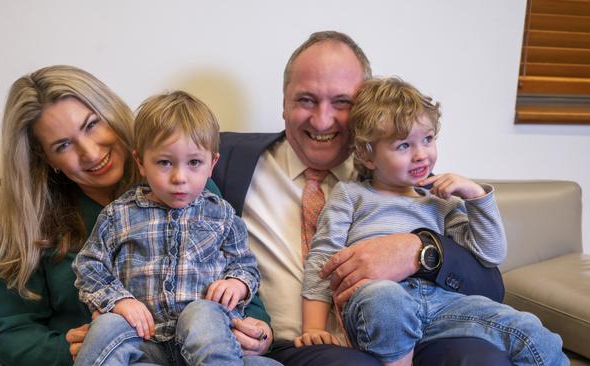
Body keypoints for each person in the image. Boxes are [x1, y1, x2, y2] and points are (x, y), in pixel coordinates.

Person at [212, 31, 512, 365]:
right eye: (306, 100)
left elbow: (490, 287)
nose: (322, 119)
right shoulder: (223, 160)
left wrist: (420, 251)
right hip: (296, 346)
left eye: (342, 102)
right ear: (284, 102)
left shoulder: (401, 174)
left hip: (416, 331)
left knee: (483, 357)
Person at [0, 65, 274, 366]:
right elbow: (9, 332)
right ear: (46, 158)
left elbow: (240, 276)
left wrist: (258, 332)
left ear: (111, 114)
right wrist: (70, 350)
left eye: (91, 125)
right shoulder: (36, 219)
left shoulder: (188, 185)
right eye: (63, 145)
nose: (91, 153)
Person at [299, 76, 568, 366]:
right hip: (378, 301)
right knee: (387, 298)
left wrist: (476, 197)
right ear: (367, 155)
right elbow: (324, 258)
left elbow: (490, 254)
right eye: (403, 146)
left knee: (530, 328)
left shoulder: (443, 201)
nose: (421, 155)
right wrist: (314, 327)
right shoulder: (351, 195)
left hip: (443, 304)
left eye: (427, 139)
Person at [72, 91, 275, 366]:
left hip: (210, 342)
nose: (180, 177)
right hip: (145, 342)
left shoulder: (222, 214)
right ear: (141, 162)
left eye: (194, 163)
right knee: (108, 325)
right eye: (165, 162)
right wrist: (118, 301)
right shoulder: (117, 215)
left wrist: (236, 284)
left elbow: (245, 265)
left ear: (211, 164)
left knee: (209, 318)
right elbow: (88, 266)